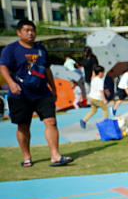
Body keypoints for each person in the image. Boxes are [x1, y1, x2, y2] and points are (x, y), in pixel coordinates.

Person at [0, 18, 73, 167]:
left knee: (51, 122)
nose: (30, 33)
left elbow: (47, 69)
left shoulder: (41, 49)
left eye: (32, 30)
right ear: (19, 32)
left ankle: (55, 155)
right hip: (20, 94)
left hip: (42, 93)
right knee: (23, 126)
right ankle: (27, 157)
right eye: (26, 30)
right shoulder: (11, 49)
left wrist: (53, 87)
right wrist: (11, 83)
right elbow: (3, 67)